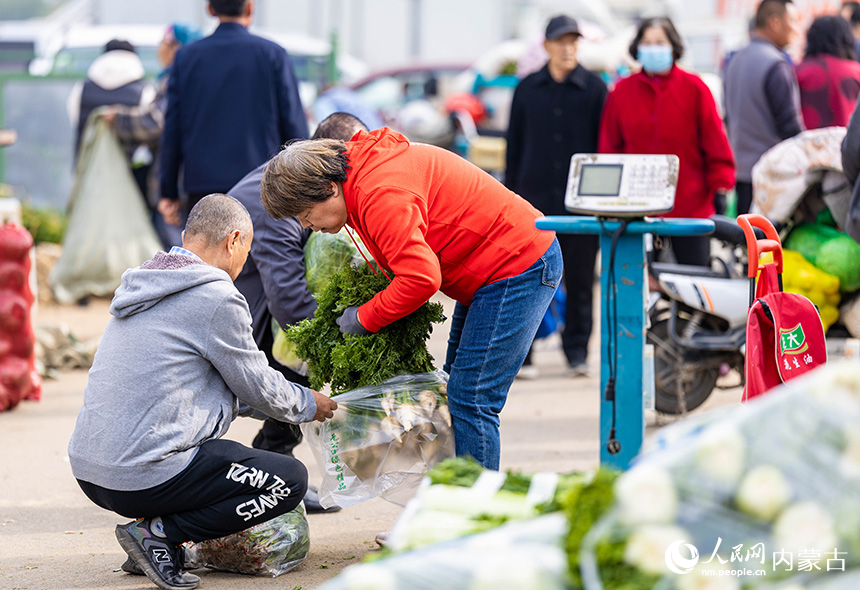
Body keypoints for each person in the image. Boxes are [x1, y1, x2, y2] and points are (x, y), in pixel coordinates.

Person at [67, 194, 338, 590]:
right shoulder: (215, 296)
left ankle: (153, 538)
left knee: (223, 459)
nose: (245, 262)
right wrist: (306, 403)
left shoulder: (145, 284)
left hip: (91, 471)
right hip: (143, 474)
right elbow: (258, 384)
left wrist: (278, 405)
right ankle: (159, 533)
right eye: (247, 249)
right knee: (288, 479)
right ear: (233, 241)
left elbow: (214, 387)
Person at [259, 129, 562, 471]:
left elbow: (421, 279)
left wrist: (365, 317)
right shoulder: (359, 177)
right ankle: (450, 498)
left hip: (516, 262)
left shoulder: (380, 193)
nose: (308, 226)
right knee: (456, 391)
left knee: (473, 399)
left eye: (304, 215)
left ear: (328, 189)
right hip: (486, 269)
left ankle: (474, 511)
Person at [232, 112, 368, 513]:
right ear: (327, 159)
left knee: (302, 340)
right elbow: (289, 301)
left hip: (258, 301)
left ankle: (274, 462)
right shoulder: (281, 200)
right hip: (238, 313)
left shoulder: (297, 179)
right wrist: (342, 341)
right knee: (298, 348)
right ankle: (274, 468)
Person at [505, 14, 607, 378]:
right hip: (534, 202)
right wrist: (510, 197)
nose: (568, 48)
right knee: (529, 279)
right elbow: (513, 147)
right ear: (546, 45)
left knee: (581, 280)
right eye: (560, 41)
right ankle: (525, 354)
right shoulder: (527, 89)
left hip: (581, 201)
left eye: (573, 42)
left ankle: (577, 351)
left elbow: (604, 147)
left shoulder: (595, 88)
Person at [158, 0, 308, 226]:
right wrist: (303, 185)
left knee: (208, 259)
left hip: (203, 188)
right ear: (250, 7)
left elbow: (172, 128)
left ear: (210, 9)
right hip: (263, 185)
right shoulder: (272, 54)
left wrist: (168, 191)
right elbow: (293, 124)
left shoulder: (186, 57)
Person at [599, 17, 735, 267]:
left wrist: (721, 186)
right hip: (635, 210)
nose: (653, 48)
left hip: (690, 208)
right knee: (637, 283)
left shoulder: (695, 88)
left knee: (694, 284)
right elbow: (610, 148)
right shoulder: (621, 92)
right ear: (637, 48)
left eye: (659, 42)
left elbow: (715, 142)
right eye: (647, 42)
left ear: (673, 46)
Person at [103, 23, 204, 249]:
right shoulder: (195, 78)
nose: (159, 50)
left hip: (176, 183)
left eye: (163, 43)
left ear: (177, 48)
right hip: (195, 178)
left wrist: (118, 119)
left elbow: (156, 122)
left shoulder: (175, 80)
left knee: (177, 248)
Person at [725, 0, 803, 215]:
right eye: (793, 21)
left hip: (742, 174)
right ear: (775, 22)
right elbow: (790, 128)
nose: (796, 29)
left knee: (747, 244)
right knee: (769, 246)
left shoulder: (734, 60)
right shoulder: (775, 64)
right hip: (771, 179)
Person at [795, 15, 860, 129]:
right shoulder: (856, 71)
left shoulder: (798, 71)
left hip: (807, 144)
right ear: (846, 39)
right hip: (847, 142)